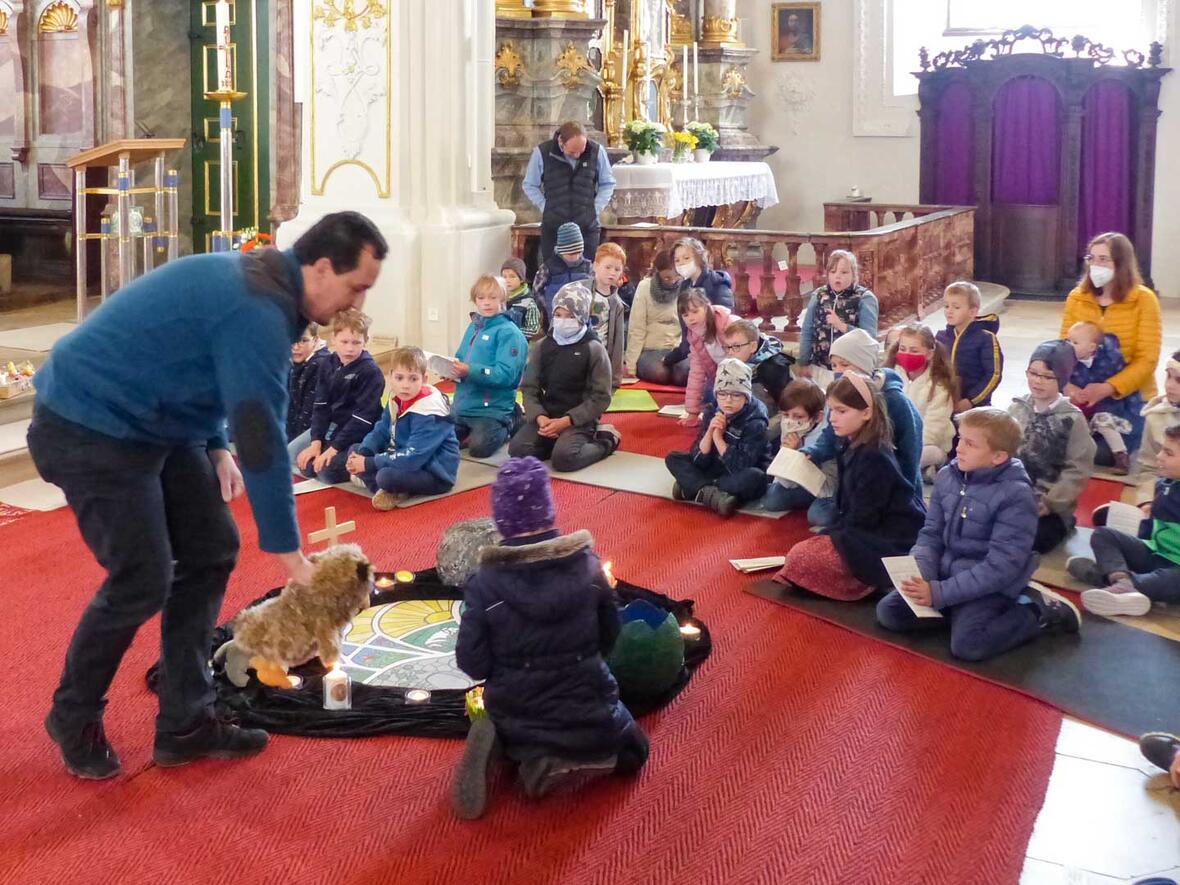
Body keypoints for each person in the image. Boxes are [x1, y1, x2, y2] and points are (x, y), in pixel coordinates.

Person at [27, 210, 387, 779]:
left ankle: (185, 722)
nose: (358, 302)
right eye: (356, 286)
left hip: (153, 421)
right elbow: (264, 435)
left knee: (212, 546)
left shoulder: (269, 288)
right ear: (320, 269)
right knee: (142, 576)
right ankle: (72, 713)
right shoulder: (257, 308)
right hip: (87, 423)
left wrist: (215, 444)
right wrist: (290, 552)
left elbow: (191, 365)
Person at [452, 456, 648, 818]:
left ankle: (533, 757)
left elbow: (472, 663)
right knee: (631, 740)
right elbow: (610, 636)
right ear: (549, 512)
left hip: (520, 708)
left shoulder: (485, 584)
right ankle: (601, 749)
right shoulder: (589, 567)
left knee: (501, 718)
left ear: (501, 519)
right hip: (590, 698)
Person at [876, 408, 1081, 660]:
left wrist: (939, 593)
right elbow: (931, 534)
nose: (958, 448)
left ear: (998, 456)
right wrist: (924, 575)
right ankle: (954, 609)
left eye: (970, 444)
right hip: (946, 575)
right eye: (960, 439)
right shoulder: (947, 477)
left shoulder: (1016, 495)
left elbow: (1000, 567)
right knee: (889, 612)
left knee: (968, 646)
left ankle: (1039, 609)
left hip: (989, 584)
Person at [775, 375, 925, 601]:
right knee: (803, 552)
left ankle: (874, 582)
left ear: (866, 413)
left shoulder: (874, 456)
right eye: (831, 411)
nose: (833, 418)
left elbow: (864, 520)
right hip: (864, 529)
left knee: (802, 558)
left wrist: (833, 537)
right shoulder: (850, 442)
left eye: (841, 411)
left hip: (889, 540)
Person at [1059, 232, 1163, 468]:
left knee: (1101, 454)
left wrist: (1108, 388)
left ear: (1121, 263)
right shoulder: (1077, 297)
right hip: (1082, 391)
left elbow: (1147, 360)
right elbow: (1062, 349)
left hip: (1128, 396)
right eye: (1091, 258)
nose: (1096, 265)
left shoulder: (1144, 300)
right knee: (1058, 442)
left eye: (1104, 259)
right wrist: (1068, 385)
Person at [801, 328, 925, 523]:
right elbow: (831, 432)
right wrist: (813, 451)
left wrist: (908, 495)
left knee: (828, 518)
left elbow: (911, 451)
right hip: (854, 479)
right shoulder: (841, 393)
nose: (839, 371)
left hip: (890, 484)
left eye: (845, 364)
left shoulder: (895, 400)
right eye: (834, 365)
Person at [1069, 424, 1180, 617]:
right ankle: (1124, 582)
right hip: (1155, 551)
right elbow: (1152, 526)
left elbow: (1165, 511)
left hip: (1176, 569)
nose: (1159, 456)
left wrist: (1159, 504)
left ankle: (1108, 579)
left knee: (1170, 580)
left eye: (1169, 453)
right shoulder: (1166, 484)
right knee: (1104, 535)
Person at [509, 282, 620, 471]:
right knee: (517, 450)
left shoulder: (594, 349)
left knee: (564, 459)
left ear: (582, 317)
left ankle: (606, 441)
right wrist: (539, 417)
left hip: (579, 419)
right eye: (558, 315)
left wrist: (567, 421)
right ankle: (554, 442)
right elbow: (529, 388)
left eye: (570, 316)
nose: (563, 321)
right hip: (547, 415)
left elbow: (601, 396)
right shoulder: (543, 346)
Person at [1007, 340, 1097, 554]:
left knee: (1029, 539)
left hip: (1049, 506)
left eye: (1047, 377)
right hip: (1011, 495)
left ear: (1063, 378)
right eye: (1033, 373)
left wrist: (1050, 503)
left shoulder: (1072, 419)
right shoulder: (1016, 407)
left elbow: (1078, 469)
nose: (1038, 381)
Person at [345, 346, 460, 510]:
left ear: (425, 379)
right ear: (390, 377)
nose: (405, 385)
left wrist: (368, 464)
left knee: (384, 476)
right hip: (402, 457)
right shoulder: (396, 398)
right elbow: (381, 430)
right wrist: (364, 454)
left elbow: (414, 456)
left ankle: (387, 487)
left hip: (434, 472)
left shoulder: (429, 411)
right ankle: (390, 492)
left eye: (413, 379)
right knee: (355, 450)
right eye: (399, 378)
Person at [665, 359, 771, 517]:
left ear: (746, 397)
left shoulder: (756, 422)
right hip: (716, 466)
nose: (728, 401)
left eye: (736, 395)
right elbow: (697, 458)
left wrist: (718, 439)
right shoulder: (712, 410)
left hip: (739, 471)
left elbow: (740, 466)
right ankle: (714, 494)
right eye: (722, 394)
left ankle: (696, 488)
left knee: (756, 477)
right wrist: (710, 432)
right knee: (673, 458)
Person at [290, 308, 386, 484]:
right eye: (344, 342)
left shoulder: (371, 372)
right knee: (301, 461)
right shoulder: (328, 363)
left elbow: (361, 420)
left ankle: (371, 456)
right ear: (334, 339)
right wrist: (316, 443)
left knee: (326, 472)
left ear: (366, 341)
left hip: (360, 431)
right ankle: (333, 453)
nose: (349, 348)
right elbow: (320, 405)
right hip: (333, 426)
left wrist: (332, 449)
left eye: (356, 342)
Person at [451, 274, 529, 459]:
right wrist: (451, 370)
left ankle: (511, 420)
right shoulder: (474, 326)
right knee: (437, 441)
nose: (486, 303)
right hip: (463, 405)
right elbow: (461, 357)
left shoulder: (509, 333)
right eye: (481, 298)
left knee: (479, 449)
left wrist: (470, 370)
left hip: (491, 407)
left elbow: (507, 375)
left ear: (502, 299)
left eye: (492, 298)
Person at [522, 120, 616, 263]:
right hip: (554, 227)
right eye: (572, 151)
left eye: (581, 150)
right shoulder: (542, 152)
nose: (578, 155)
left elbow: (607, 183)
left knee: (586, 273)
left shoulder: (596, 151)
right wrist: (545, 206)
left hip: (587, 226)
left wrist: (595, 208)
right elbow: (530, 184)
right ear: (561, 142)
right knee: (554, 274)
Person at [1064, 320, 1144, 474]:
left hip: (1105, 407)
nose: (1068, 345)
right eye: (1067, 340)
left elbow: (1118, 390)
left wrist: (1102, 392)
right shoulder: (1066, 359)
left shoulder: (1109, 361)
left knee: (1104, 422)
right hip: (1077, 408)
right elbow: (1059, 378)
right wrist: (1069, 389)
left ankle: (1121, 456)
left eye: (1074, 342)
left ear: (1091, 347)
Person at [796, 250, 880, 389]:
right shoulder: (818, 295)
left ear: (854, 274)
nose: (837, 277)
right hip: (820, 367)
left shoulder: (865, 298)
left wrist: (842, 326)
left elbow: (869, 338)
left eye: (844, 272)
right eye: (833, 272)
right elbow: (807, 330)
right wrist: (804, 362)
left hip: (851, 370)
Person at [885, 323, 957, 481]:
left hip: (929, 445)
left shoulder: (939, 386)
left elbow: (934, 428)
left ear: (930, 354)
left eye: (914, 350)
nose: (907, 354)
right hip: (893, 442)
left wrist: (905, 446)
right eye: (902, 349)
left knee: (909, 459)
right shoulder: (889, 376)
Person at [660, 237, 735, 376]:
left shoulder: (718, 284)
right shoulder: (684, 286)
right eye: (677, 260)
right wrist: (674, 356)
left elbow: (728, 328)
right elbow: (687, 331)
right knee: (665, 369)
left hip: (719, 349)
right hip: (695, 348)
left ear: (700, 257)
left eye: (686, 258)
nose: (681, 263)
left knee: (682, 373)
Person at [759, 378, 833, 514]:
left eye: (798, 417)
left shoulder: (828, 433)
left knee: (819, 515)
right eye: (786, 414)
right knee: (772, 500)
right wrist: (788, 453)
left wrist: (797, 454)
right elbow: (785, 480)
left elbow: (825, 479)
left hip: (825, 485)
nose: (790, 421)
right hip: (799, 482)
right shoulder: (788, 424)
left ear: (818, 417)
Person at [936, 281, 1003, 412]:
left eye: (956, 307)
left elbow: (993, 375)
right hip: (945, 402)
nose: (949, 311)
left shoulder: (985, 338)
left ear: (972, 311)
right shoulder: (941, 337)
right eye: (946, 306)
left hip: (975, 406)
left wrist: (971, 400)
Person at [623, 249, 687, 385]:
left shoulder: (685, 286)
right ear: (657, 273)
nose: (672, 281)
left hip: (677, 348)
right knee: (661, 374)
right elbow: (636, 327)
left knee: (683, 374)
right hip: (651, 349)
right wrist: (631, 365)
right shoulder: (645, 287)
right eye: (667, 278)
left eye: (677, 276)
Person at [720, 318, 793, 431]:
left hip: (772, 421)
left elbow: (787, 408)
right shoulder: (736, 362)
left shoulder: (773, 368)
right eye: (727, 347)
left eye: (736, 347)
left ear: (753, 346)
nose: (730, 353)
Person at [678, 288, 734, 428]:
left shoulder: (728, 323)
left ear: (706, 306)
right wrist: (692, 413)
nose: (690, 318)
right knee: (710, 401)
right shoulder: (694, 336)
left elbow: (746, 355)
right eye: (685, 315)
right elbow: (696, 374)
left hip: (748, 371)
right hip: (720, 376)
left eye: (695, 311)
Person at [1131, 350, 1180, 506]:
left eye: (1179, 380)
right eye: (1168, 376)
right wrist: (1146, 502)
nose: (1169, 385)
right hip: (1166, 500)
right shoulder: (1156, 415)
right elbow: (1148, 468)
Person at [533, 222, 594, 320]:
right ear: (561, 251)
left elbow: (594, 289)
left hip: (581, 317)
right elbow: (537, 290)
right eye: (570, 254)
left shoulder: (588, 267)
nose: (575, 257)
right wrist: (547, 305)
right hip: (555, 317)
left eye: (578, 252)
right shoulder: (548, 267)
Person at [589, 242, 628, 390]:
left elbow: (618, 341)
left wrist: (616, 379)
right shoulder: (582, 292)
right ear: (595, 266)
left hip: (601, 355)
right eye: (607, 267)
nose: (612, 272)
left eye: (617, 269)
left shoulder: (617, 304)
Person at [287, 322, 330, 442]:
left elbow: (309, 414)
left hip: (316, 431)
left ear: (315, 340)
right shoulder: (292, 361)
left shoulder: (320, 365)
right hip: (294, 425)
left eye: (303, 340)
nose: (295, 347)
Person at [501, 257, 544, 341]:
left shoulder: (528, 303)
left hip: (517, 345)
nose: (507, 280)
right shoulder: (499, 299)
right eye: (504, 277)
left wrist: (511, 331)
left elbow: (533, 330)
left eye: (512, 277)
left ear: (521, 279)